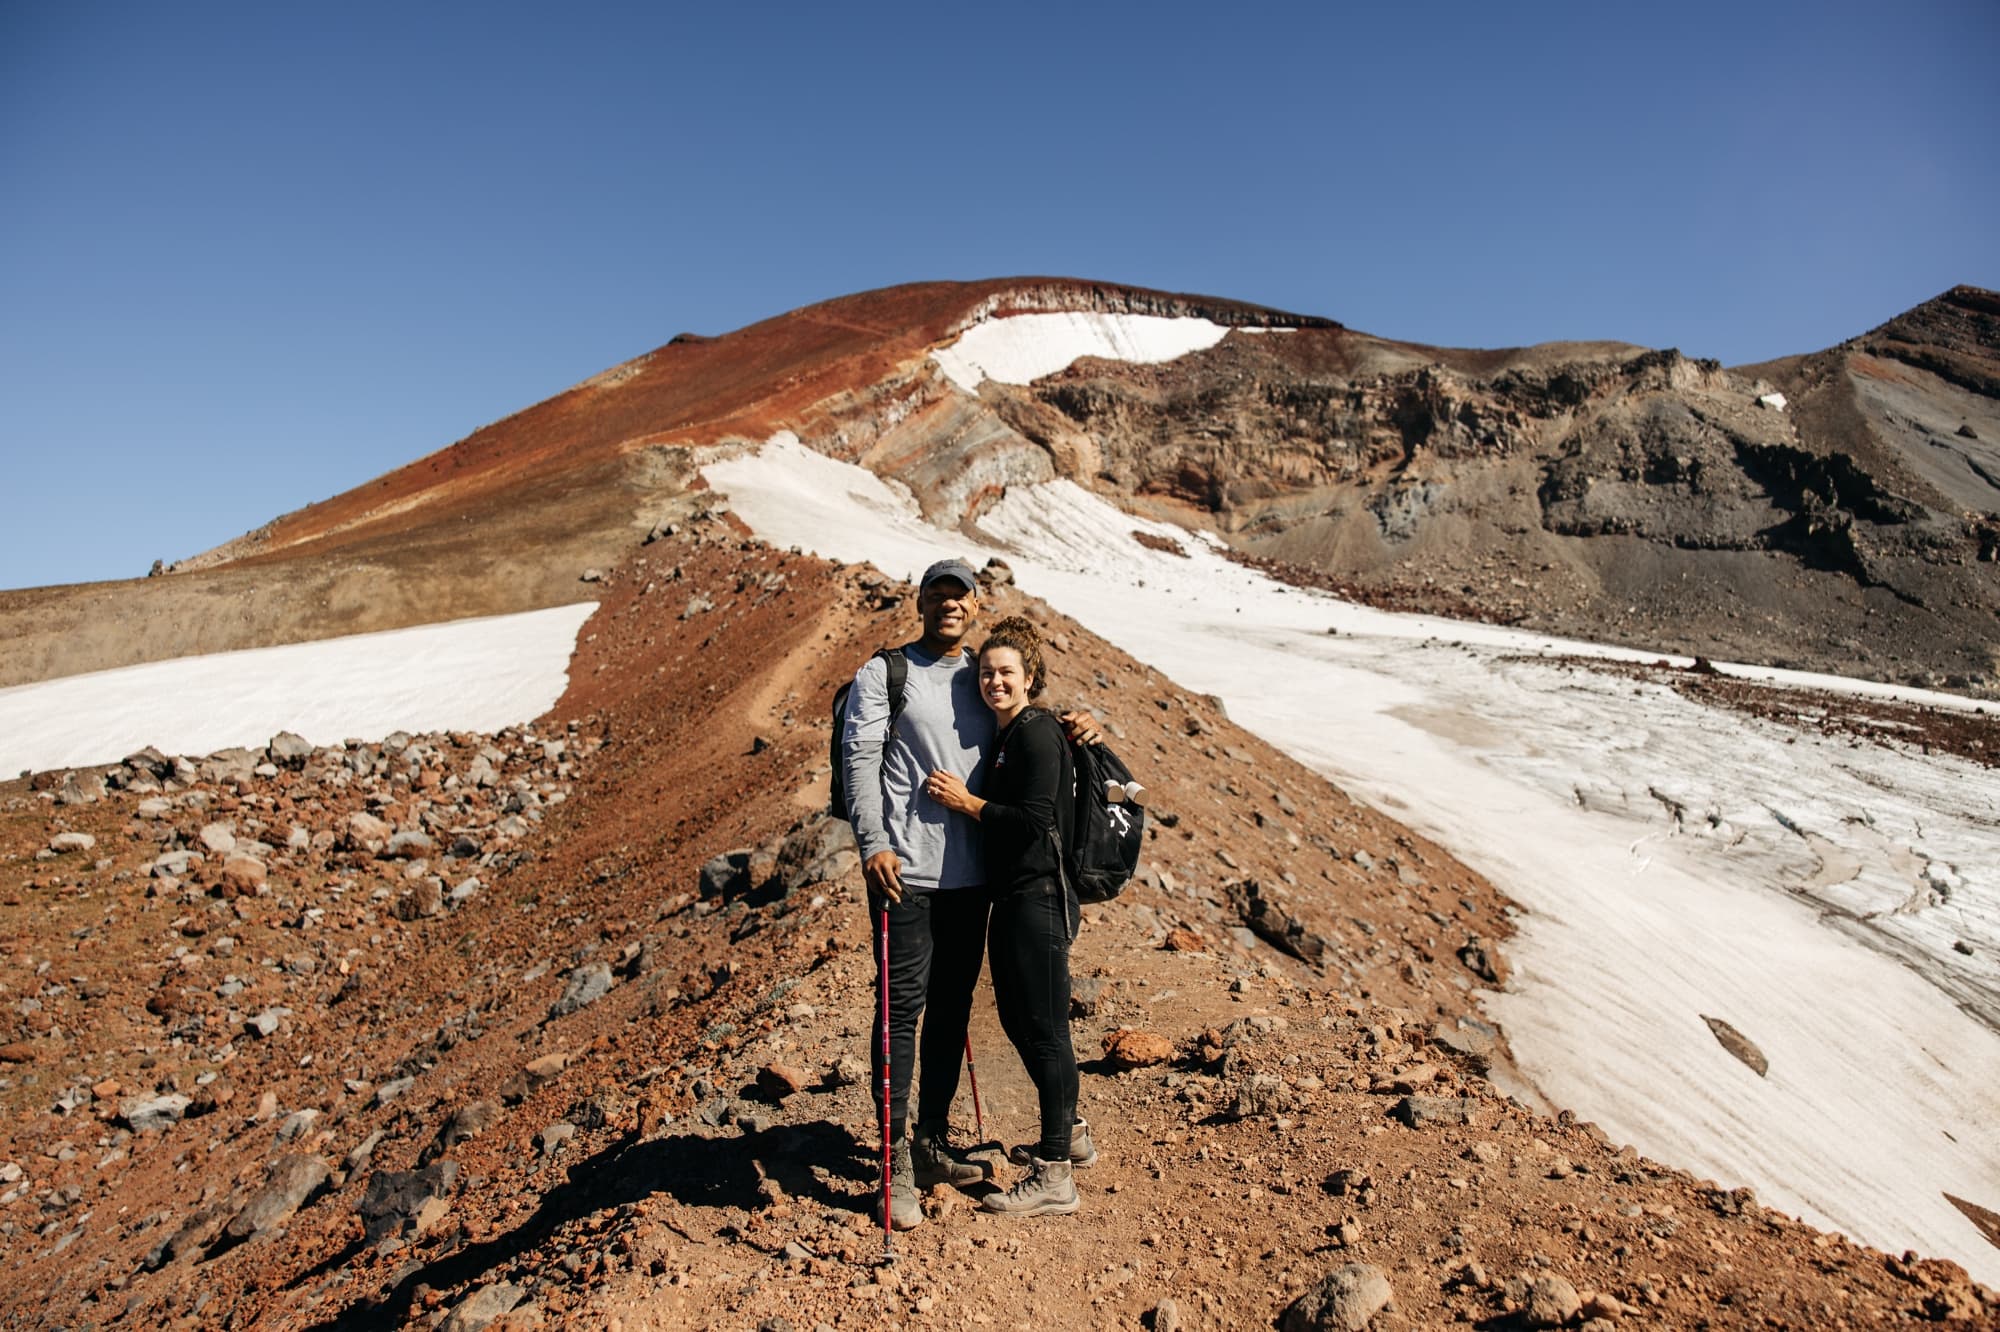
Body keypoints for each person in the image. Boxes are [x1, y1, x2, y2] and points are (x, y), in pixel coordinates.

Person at [840, 558, 996, 1230]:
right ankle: (892, 1160)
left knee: (953, 1011)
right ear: (920, 603)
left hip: (972, 878)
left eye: (960, 596)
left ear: (976, 606)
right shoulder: (884, 673)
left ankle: (930, 1141)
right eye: (938, 595)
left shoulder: (987, 675)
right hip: (905, 874)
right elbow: (858, 759)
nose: (949, 605)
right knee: (900, 1014)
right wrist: (872, 843)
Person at [924, 615, 1088, 1217]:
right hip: (1017, 898)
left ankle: (1055, 1175)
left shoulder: (1036, 733)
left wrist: (969, 805)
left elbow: (1035, 819)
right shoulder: (1012, 734)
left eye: (1007, 672)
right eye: (987, 672)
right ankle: (1067, 1134)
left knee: (1043, 1030)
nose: (995, 681)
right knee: (1025, 1023)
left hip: (1038, 897)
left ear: (1030, 676)